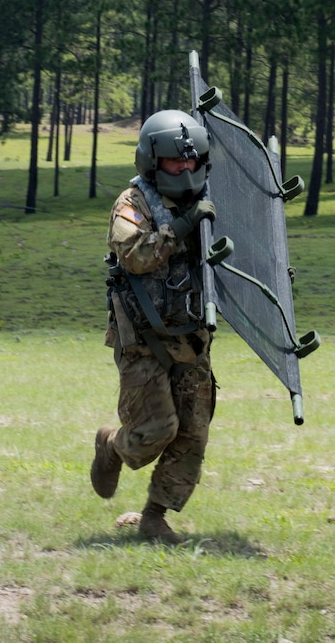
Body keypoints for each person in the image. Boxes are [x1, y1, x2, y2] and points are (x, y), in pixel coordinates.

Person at [92, 109, 218, 544]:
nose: (185, 168)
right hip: (143, 340)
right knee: (154, 433)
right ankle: (111, 445)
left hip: (192, 337)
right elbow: (135, 256)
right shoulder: (133, 204)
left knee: (193, 432)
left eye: (191, 160)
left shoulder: (211, 198)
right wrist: (183, 227)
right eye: (173, 161)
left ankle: (155, 516)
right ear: (151, 161)